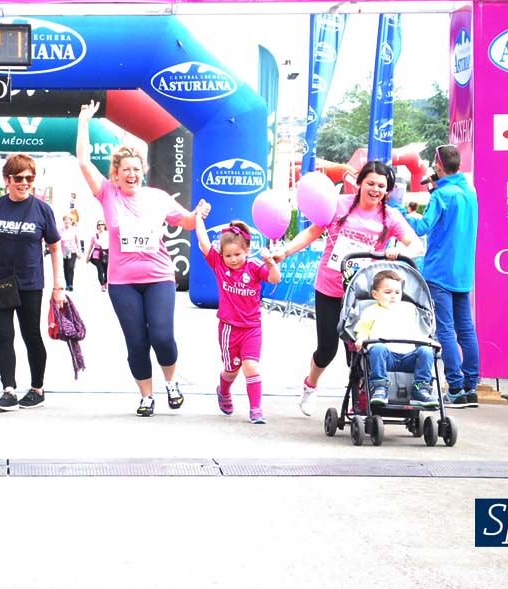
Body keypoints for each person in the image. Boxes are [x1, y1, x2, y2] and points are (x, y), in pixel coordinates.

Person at [75, 99, 204, 417]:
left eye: (136, 169)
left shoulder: (158, 198)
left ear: (143, 172)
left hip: (159, 277)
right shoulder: (108, 194)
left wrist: (198, 213)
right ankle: (146, 396)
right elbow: (83, 161)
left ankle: (171, 383)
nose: (131, 174)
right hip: (123, 283)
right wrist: (84, 122)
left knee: (162, 336)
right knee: (136, 342)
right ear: (116, 174)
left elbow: (187, 222)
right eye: (125, 170)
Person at [274, 161, 424, 416]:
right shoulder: (339, 205)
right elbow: (312, 232)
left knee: (359, 349)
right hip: (330, 288)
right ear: (359, 183)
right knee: (327, 349)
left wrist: (399, 251)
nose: (375, 190)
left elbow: (416, 245)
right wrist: (285, 252)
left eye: (381, 186)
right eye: (370, 183)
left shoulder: (390, 216)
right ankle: (310, 385)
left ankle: (361, 398)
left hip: (364, 294)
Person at [0, 153, 66, 412]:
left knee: (31, 334)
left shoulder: (42, 210)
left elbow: (55, 248)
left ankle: (37, 389)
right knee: (3, 334)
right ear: (7, 179)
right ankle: (8, 390)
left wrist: (59, 285)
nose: (25, 183)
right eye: (19, 178)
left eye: (30, 178)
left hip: (30, 282)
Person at [406, 145, 480, 407]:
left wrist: (403, 214)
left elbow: (422, 227)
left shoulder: (441, 195)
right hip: (463, 273)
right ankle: (470, 387)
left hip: (439, 271)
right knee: (466, 329)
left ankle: (455, 387)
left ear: (438, 166)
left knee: (445, 329)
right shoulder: (470, 193)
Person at [194, 207, 281, 424]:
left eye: (237, 255)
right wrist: (198, 218)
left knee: (251, 367)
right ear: (221, 255)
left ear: (247, 250)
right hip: (229, 329)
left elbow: (274, 279)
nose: (233, 259)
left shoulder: (254, 267)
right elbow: (203, 243)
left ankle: (256, 410)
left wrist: (271, 264)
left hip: (252, 328)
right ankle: (223, 390)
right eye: (228, 255)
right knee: (231, 371)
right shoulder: (218, 265)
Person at [352, 270, 439, 409]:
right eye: (388, 292)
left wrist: (429, 341)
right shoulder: (370, 311)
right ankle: (379, 387)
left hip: (408, 357)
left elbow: (417, 332)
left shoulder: (409, 309)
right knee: (378, 347)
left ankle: (421, 388)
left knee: (426, 351)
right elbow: (363, 330)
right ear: (375, 294)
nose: (393, 296)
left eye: (397, 292)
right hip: (386, 358)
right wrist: (361, 339)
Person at [59, 214, 81, 291]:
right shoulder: (60, 230)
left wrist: (79, 251)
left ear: (71, 221)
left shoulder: (74, 230)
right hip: (64, 251)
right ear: (63, 221)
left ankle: (71, 284)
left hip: (73, 250)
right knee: (65, 267)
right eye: (65, 220)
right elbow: (57, 240)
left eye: (68, 220)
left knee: (71, 267)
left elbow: (77, 241)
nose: (67, 222)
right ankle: (67, 284)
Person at [87, 219, 110, 291]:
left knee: (106, 271)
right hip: (97, 255)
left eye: (102, 224)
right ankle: (102, 285)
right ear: (97, 226)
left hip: (107, 254)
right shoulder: (95, 236)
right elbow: (91, 246)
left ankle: (106, 283)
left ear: (104, 225)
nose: (100, 226)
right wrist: (88, 256)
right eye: (99, 225)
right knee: (100, 270)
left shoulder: (108, 234)